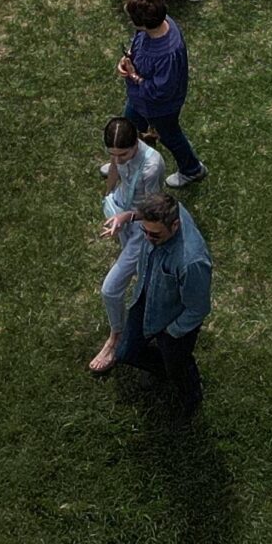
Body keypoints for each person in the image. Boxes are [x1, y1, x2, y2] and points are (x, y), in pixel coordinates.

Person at [110, 192, 210, 414]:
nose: (147, 238)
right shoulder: (168, 214)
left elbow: (198, 307)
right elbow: (146, 217)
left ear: (175, 225)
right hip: (147, 297)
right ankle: (161, 369)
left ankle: (191, 399)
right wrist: (129, 216)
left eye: (154, 235)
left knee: (178, 366)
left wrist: (171, 331)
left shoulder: (191, 261)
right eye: (144, 230)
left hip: (173, 321)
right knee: (126, 353)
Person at [90, 117, 169, 372]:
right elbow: (115, 167)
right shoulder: (120, 156)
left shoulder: (151, 167)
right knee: (139, 273)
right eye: (113, 154)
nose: (118, 159)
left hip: (140, 226)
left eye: (123, 154)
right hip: (121, 212)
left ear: (135, 143)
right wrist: (108, 194)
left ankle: (117, 337)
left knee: (110, 290)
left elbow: (154, 211)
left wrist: (125, 218)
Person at [119, 0, 205, 187]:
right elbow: (138, 43)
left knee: (170, 136)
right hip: (139, 99)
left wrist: (133, 75)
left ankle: (192, 170)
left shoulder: (167, 54)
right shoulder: (161, 24)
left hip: (160, 108)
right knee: (129, 124)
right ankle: (123, 158)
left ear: (144, 23)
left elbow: (161, 91)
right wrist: (127, 58)